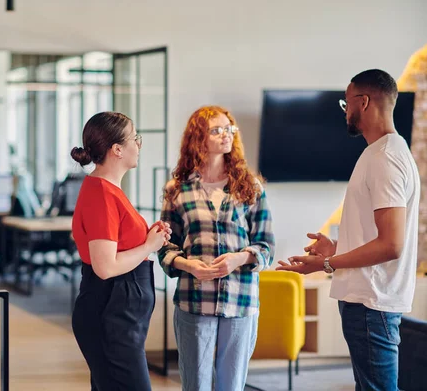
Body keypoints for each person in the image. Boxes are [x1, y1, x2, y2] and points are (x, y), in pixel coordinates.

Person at [277, 69, 420, 391]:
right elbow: (379, 237)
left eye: (346, 103)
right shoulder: (382, 154)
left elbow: (391, 245)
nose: (345, 112)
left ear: (364, 101)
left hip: (372, 301)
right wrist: (337, 248)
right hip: (369, 298)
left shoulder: (385, 158)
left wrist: (325, 264)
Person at [159, 106, 275, 391]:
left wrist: (238, 258)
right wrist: (189, 265)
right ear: (198, 138)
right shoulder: (177, 189)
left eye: (229, 129)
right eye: (216, 130)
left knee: (231, 386)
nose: (226, 135)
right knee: (195, 385)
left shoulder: (251, 187)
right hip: (193, 300)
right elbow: (165, 248)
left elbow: (266, 246)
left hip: (241, 300)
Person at [70, 111, 171, 391]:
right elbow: (106, 267)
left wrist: (149, 237)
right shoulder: (101, 192)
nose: (138, 145)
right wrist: (149, 246)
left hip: (117, 314)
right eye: (135, 138)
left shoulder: (108, 189)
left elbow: (119, 242)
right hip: (110, 315)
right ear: (117, 149)